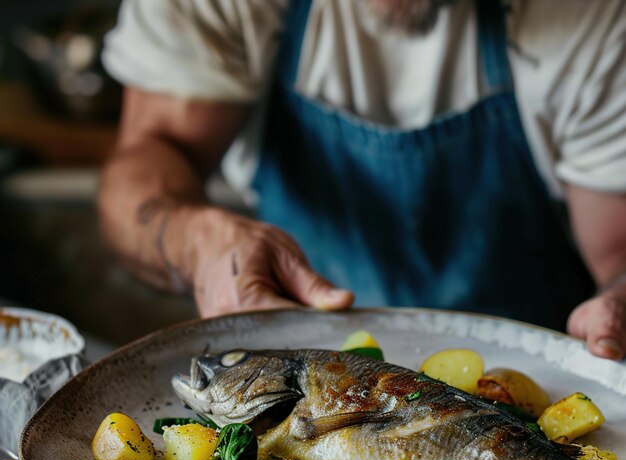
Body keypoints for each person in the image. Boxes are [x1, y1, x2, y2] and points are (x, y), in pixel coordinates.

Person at [98, 0, 626, 360]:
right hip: (305, 392)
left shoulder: (594, 16)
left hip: (523, 404)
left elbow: (619, 258)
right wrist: (198, 243)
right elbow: (149, 157)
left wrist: (616, 307)